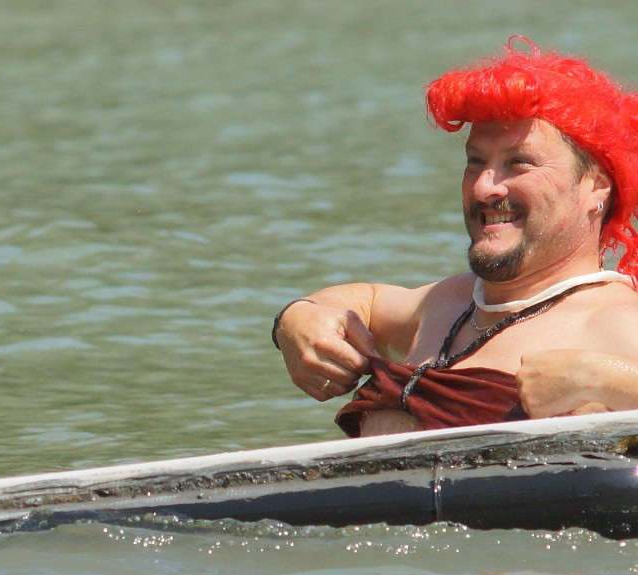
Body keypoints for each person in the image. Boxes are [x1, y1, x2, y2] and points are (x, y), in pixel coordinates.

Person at [272, 37, 638, 437]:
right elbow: (366, 299)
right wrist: (296, 319)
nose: (484, 188)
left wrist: (604, 379)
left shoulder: (617, 324)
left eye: (519, 163)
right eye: (475, 162)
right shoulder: (447, 304)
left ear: (597, 187)